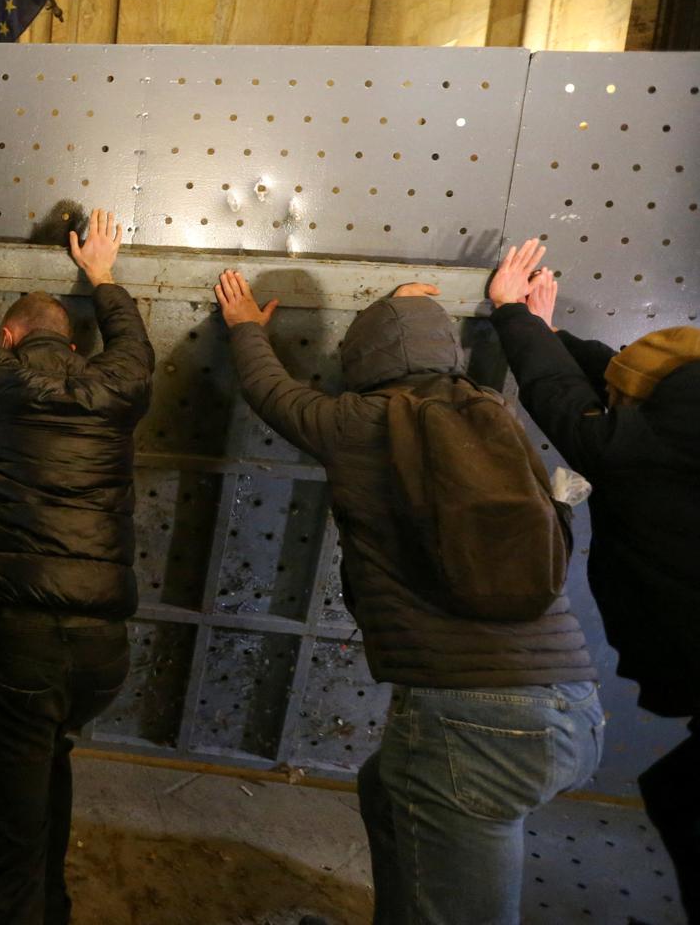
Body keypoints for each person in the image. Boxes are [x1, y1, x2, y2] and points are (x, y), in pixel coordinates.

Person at [213, 268, 602, 925]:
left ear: (362, 356)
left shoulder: (357, 420)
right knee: (386, 794)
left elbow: (271, 392)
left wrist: (245, 326)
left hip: (471, 724)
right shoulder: (492, 415)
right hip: (573, 703)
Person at [0, 205, 154, 925]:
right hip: (100, 648)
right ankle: (51, 909)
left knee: (10, 822)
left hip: (21, 640)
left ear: (8, 335)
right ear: (74, 344)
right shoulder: (116, 386)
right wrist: (102, 274)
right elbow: (133, 342)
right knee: (48, 772)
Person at [487, 239, 700, 919]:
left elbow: (567, 402)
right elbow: (604, 382)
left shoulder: (649, 450)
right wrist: (543, 330)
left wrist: (508, 315)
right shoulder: (682, 431)